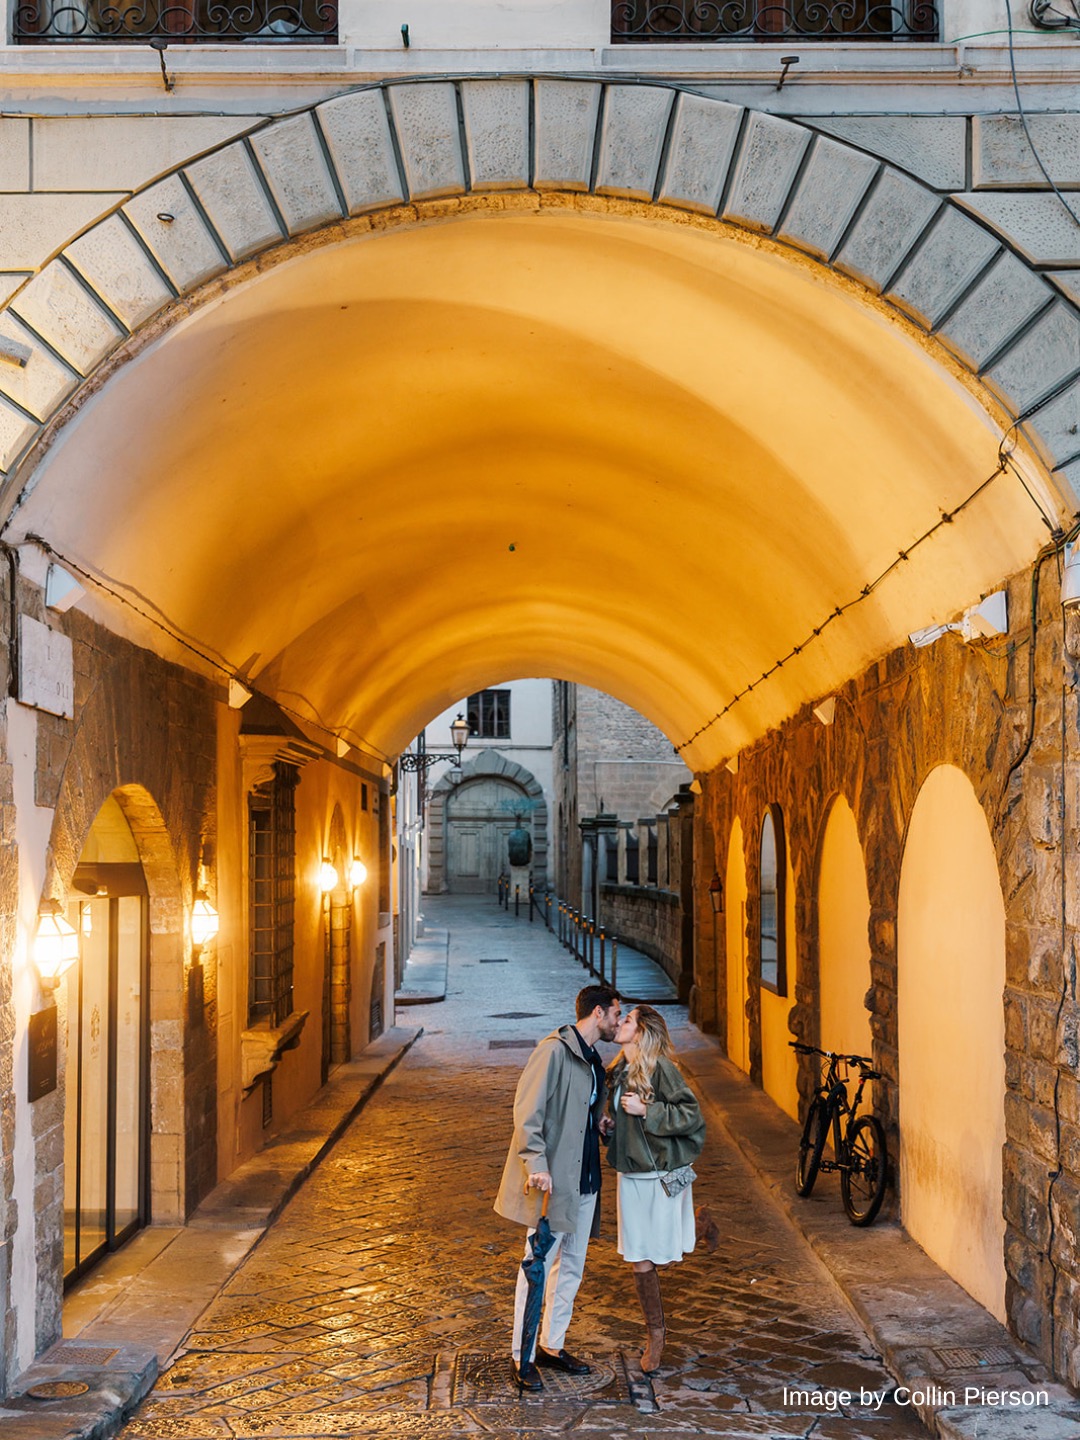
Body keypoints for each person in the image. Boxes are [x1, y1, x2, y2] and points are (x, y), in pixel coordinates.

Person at [494, 983, 622, 1392]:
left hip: (586, 1179)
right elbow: (527, 1111)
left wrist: (600, 1125)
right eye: (616, 1014)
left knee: (572, 1267)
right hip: (553, 1183)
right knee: (537, 1267)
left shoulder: (592, 1059)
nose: (619, 1022)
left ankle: (552, 1344)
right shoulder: (552, 1051)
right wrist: (536, 1163)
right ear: (598, 1013)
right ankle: (523, 1355)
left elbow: (581, 1114)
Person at [606, 1004, 712, 1375]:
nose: (619, 1023)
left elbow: (691, 1115)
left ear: (642, 1031)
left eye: (628, 1020)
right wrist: (611, 1122)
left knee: (663, 1252)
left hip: (662, 1174)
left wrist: (645, 1111)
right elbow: (618, 1117)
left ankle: (698, 1228)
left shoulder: (662, 1068)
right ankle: (657, 1334)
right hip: (630, 1176)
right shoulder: (617, 1070)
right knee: (640, 1256)